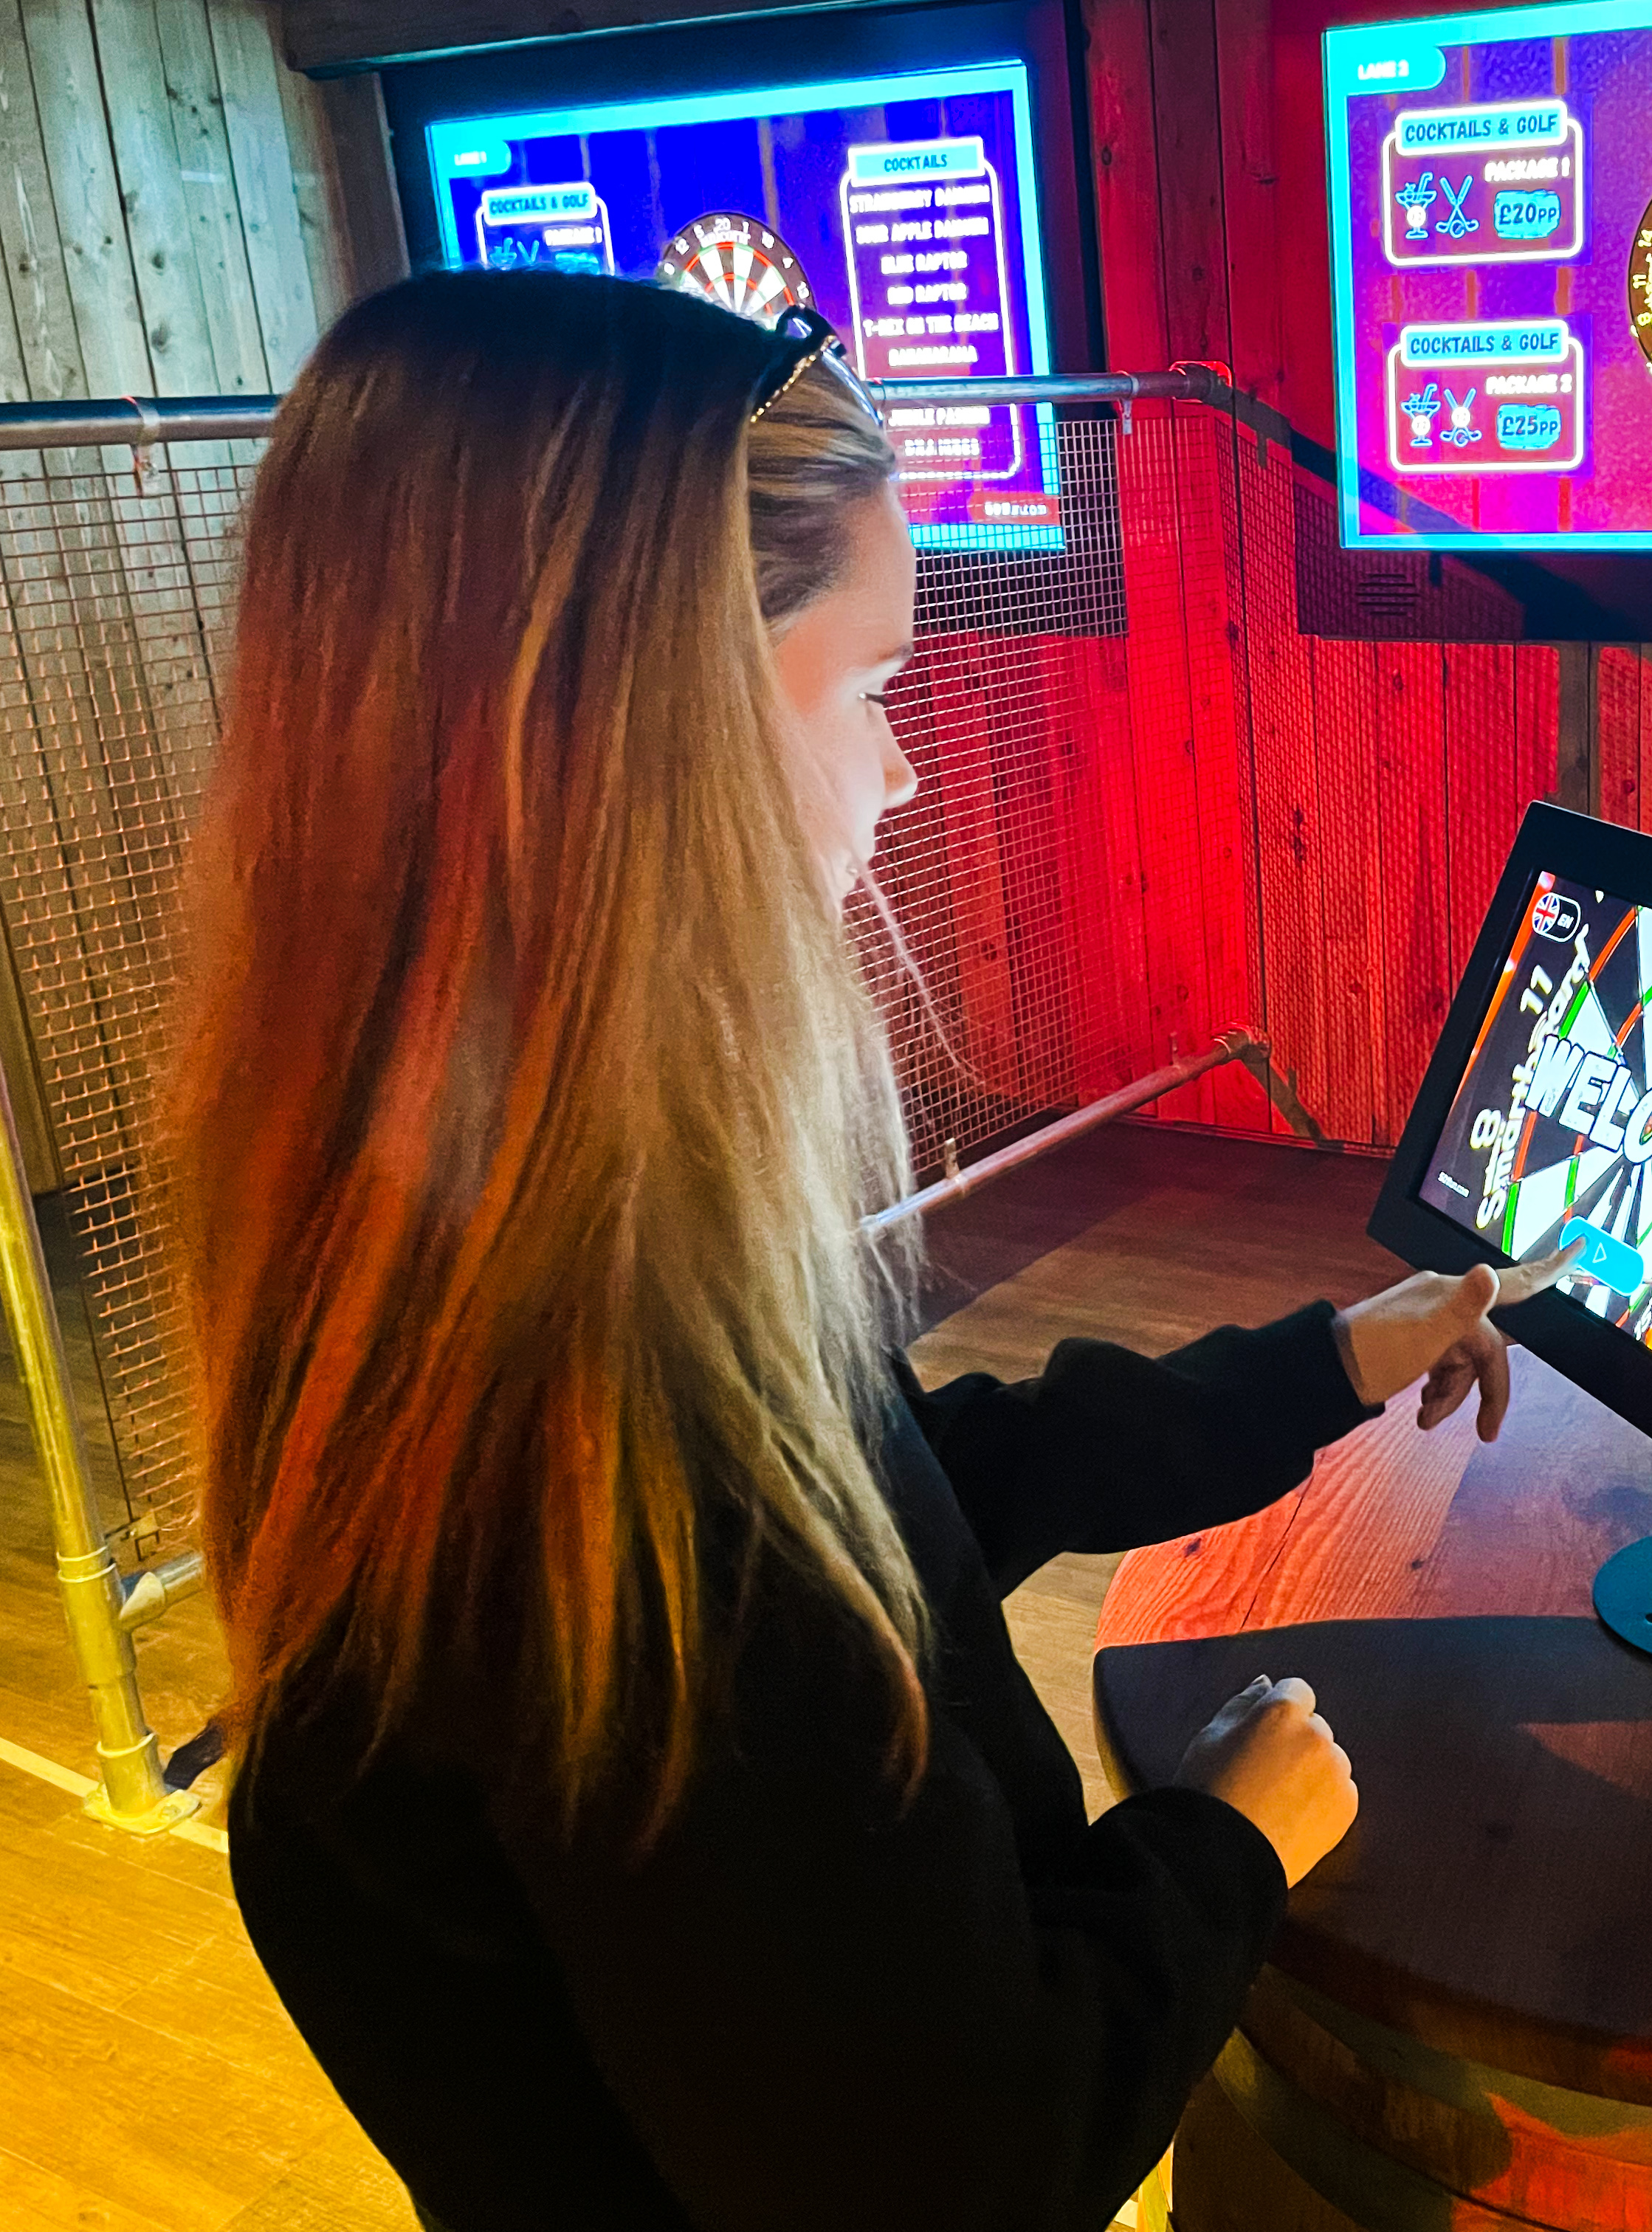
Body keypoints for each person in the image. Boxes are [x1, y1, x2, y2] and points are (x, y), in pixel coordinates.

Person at [165, 269, 1573, 2232]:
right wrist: (1222, 1846)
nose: (905, 773)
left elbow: (893, 1508)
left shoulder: (438, 1236)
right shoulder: (610, 1414)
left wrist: (1314, 1367)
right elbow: (961, 2163)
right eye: (876, 687)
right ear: (633, 750)